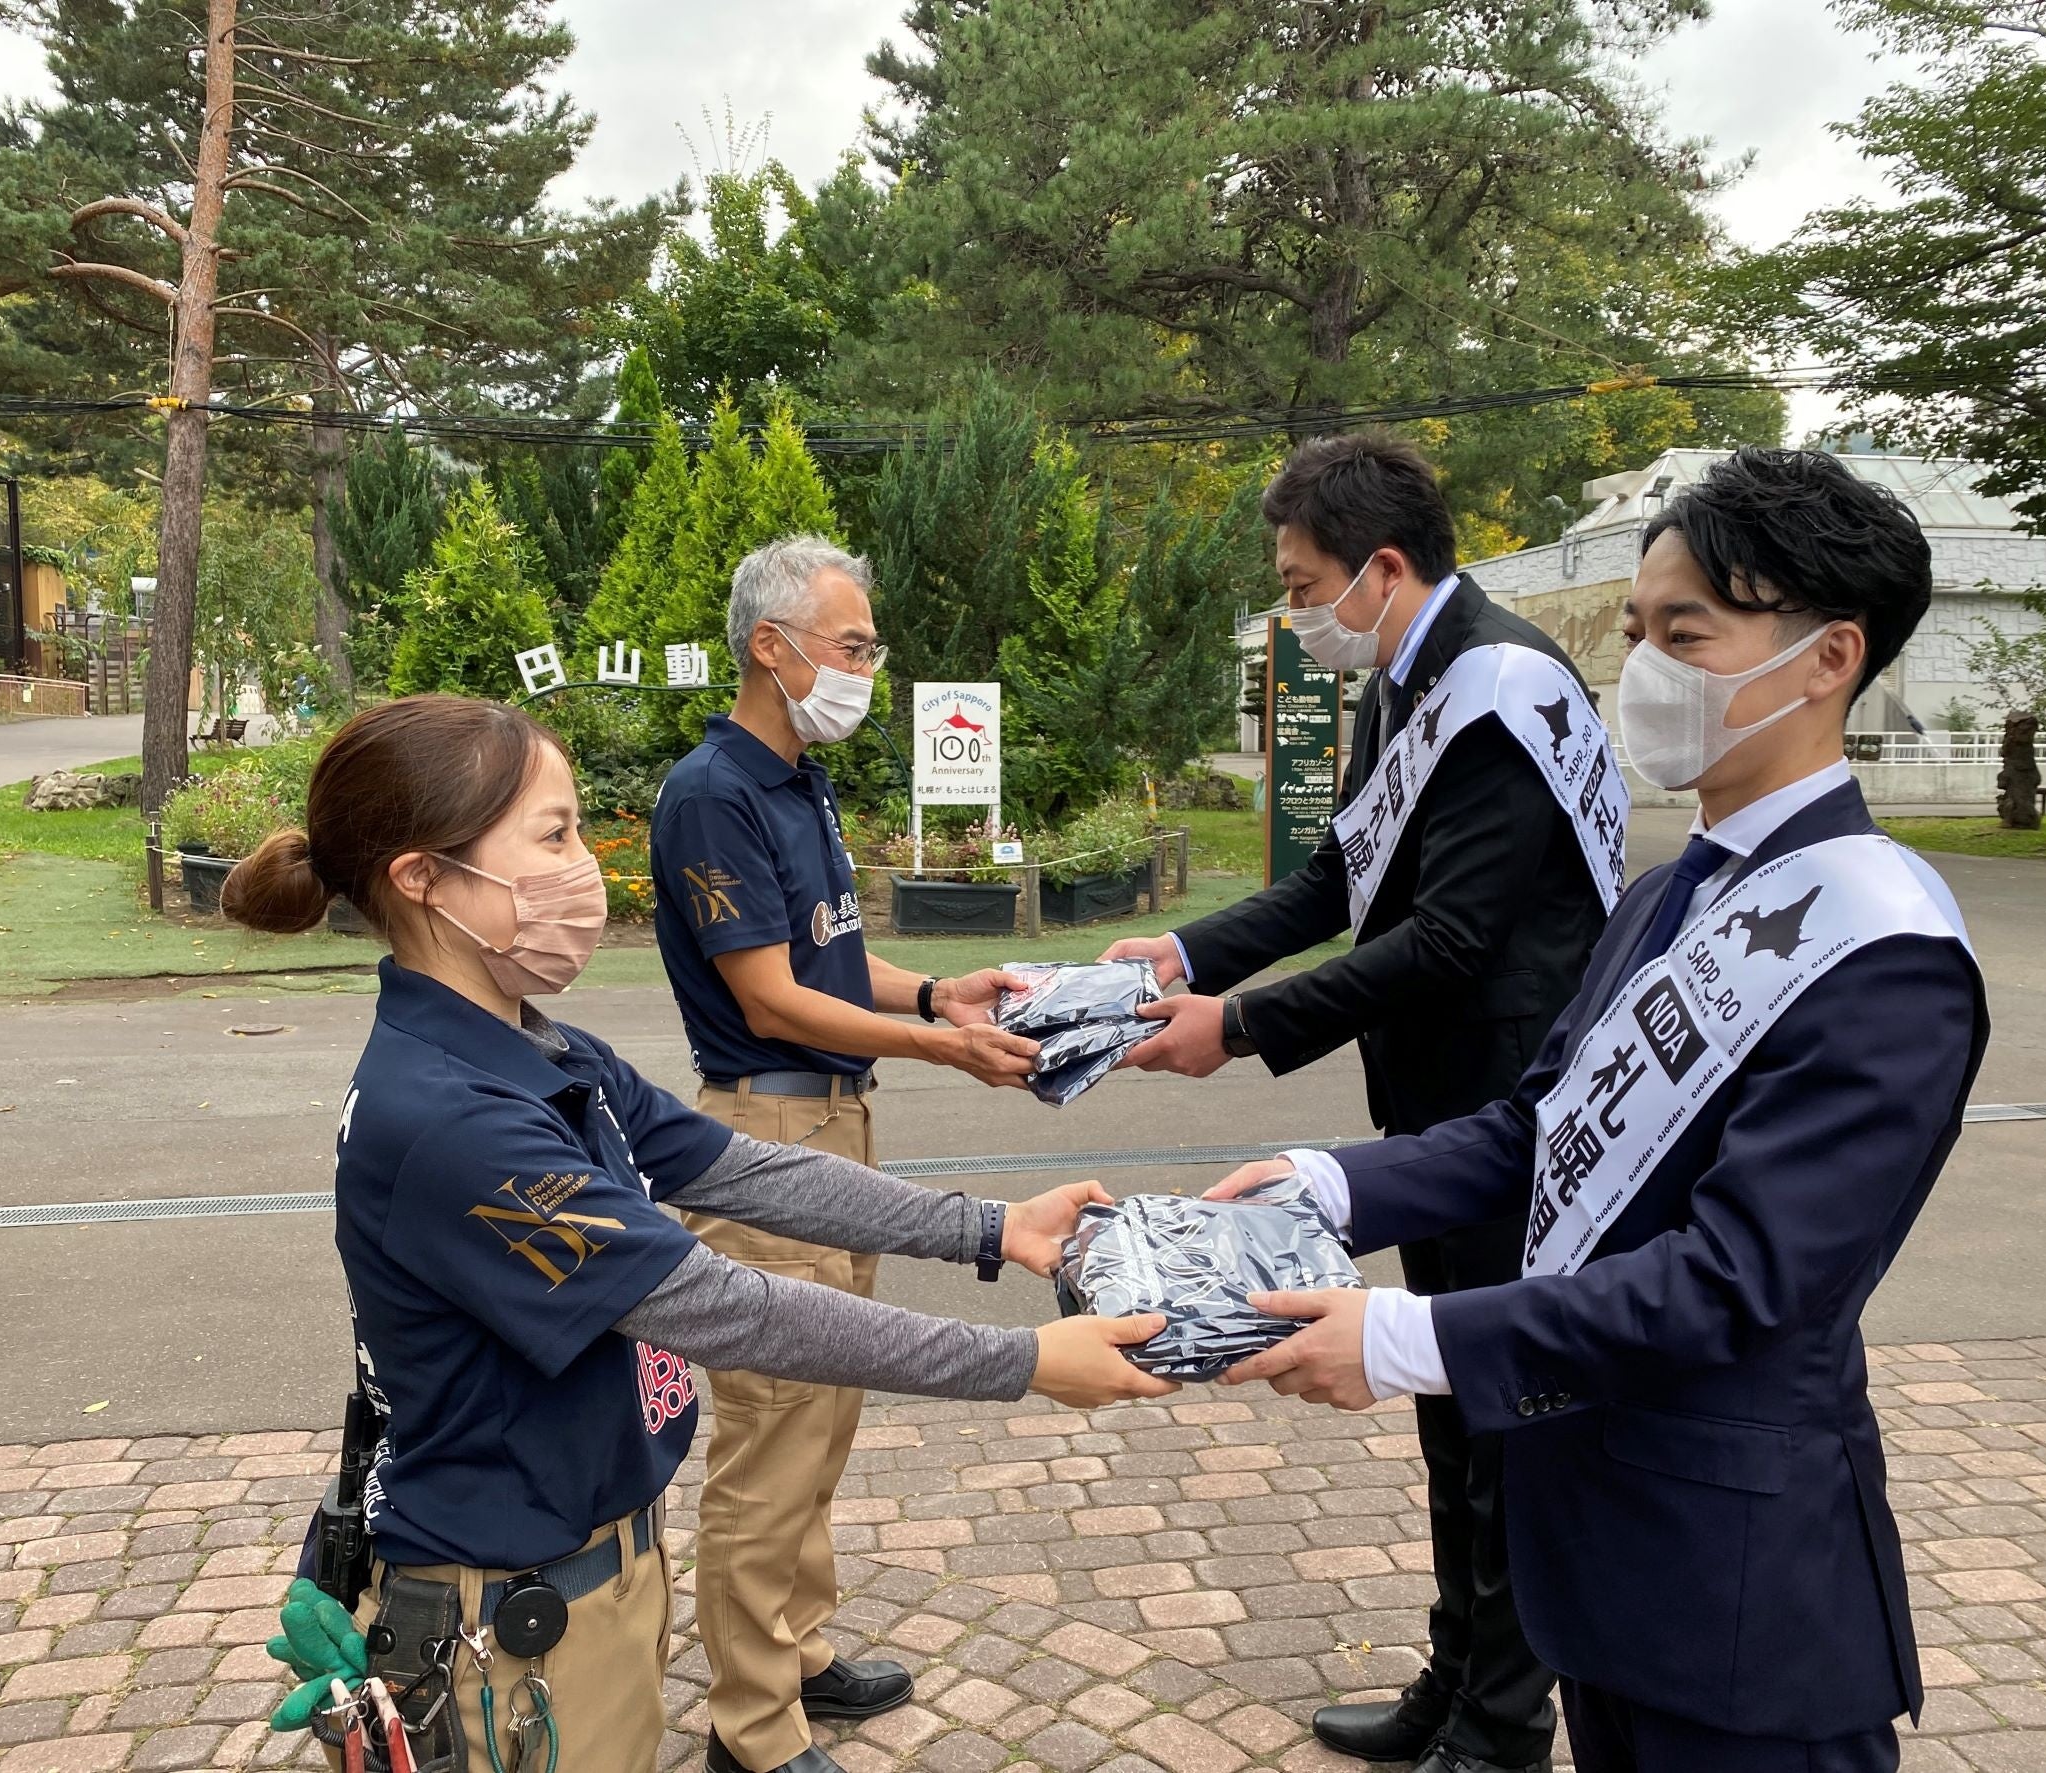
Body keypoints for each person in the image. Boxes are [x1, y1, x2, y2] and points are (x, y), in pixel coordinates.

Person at [1210, 447, 1987, 1773]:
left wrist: (1405, 1336)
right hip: (1599, 1562)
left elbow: (1740, 1282)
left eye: (1687, 632)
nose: (1644, 668)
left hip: (1740, 1603)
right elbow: (1533, 1128)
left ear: (1827, 658)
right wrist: (1328, 1186)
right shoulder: (1666, 895)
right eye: (1637, 630)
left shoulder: (1885, 949)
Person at [221, 693, 1173, 1773]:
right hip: (513, 1627)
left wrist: (994, 1228)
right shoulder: (450, 1119)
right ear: (422, 877)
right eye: (554, 834)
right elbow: (725, 1306)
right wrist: (1023, 1363)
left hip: (592, 1575)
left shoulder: (532, 1049)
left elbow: (742, 1168)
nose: (589, 868)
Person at [1103, 434, 1621, 1773]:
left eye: (1302, 581)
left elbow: (1451, 939)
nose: (1294, 612)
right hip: (1439, 1104)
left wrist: (1243, 1026)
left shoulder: (1500, 687)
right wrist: (1185, 958)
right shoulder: (1408, 677)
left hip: (1511, 1110)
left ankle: (1504, 1730)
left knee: (1498, 1415)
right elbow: (1340, 878)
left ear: (1382, 569)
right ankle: (1457, 1680)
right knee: (1448, 1407)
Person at [648, 536, 1045, 1773]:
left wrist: (936, 994)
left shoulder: (797, 781)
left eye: (871, 648)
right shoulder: (712, 793)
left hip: (835, 1120)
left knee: (825, 1411)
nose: (867, 667)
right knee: (773, 1430)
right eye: (853, 644)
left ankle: (801, 1652)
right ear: (773, 647)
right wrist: (944, 1051)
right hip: (765, 1126)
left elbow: (827, 957)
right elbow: (769, 999)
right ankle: (750, 1729)